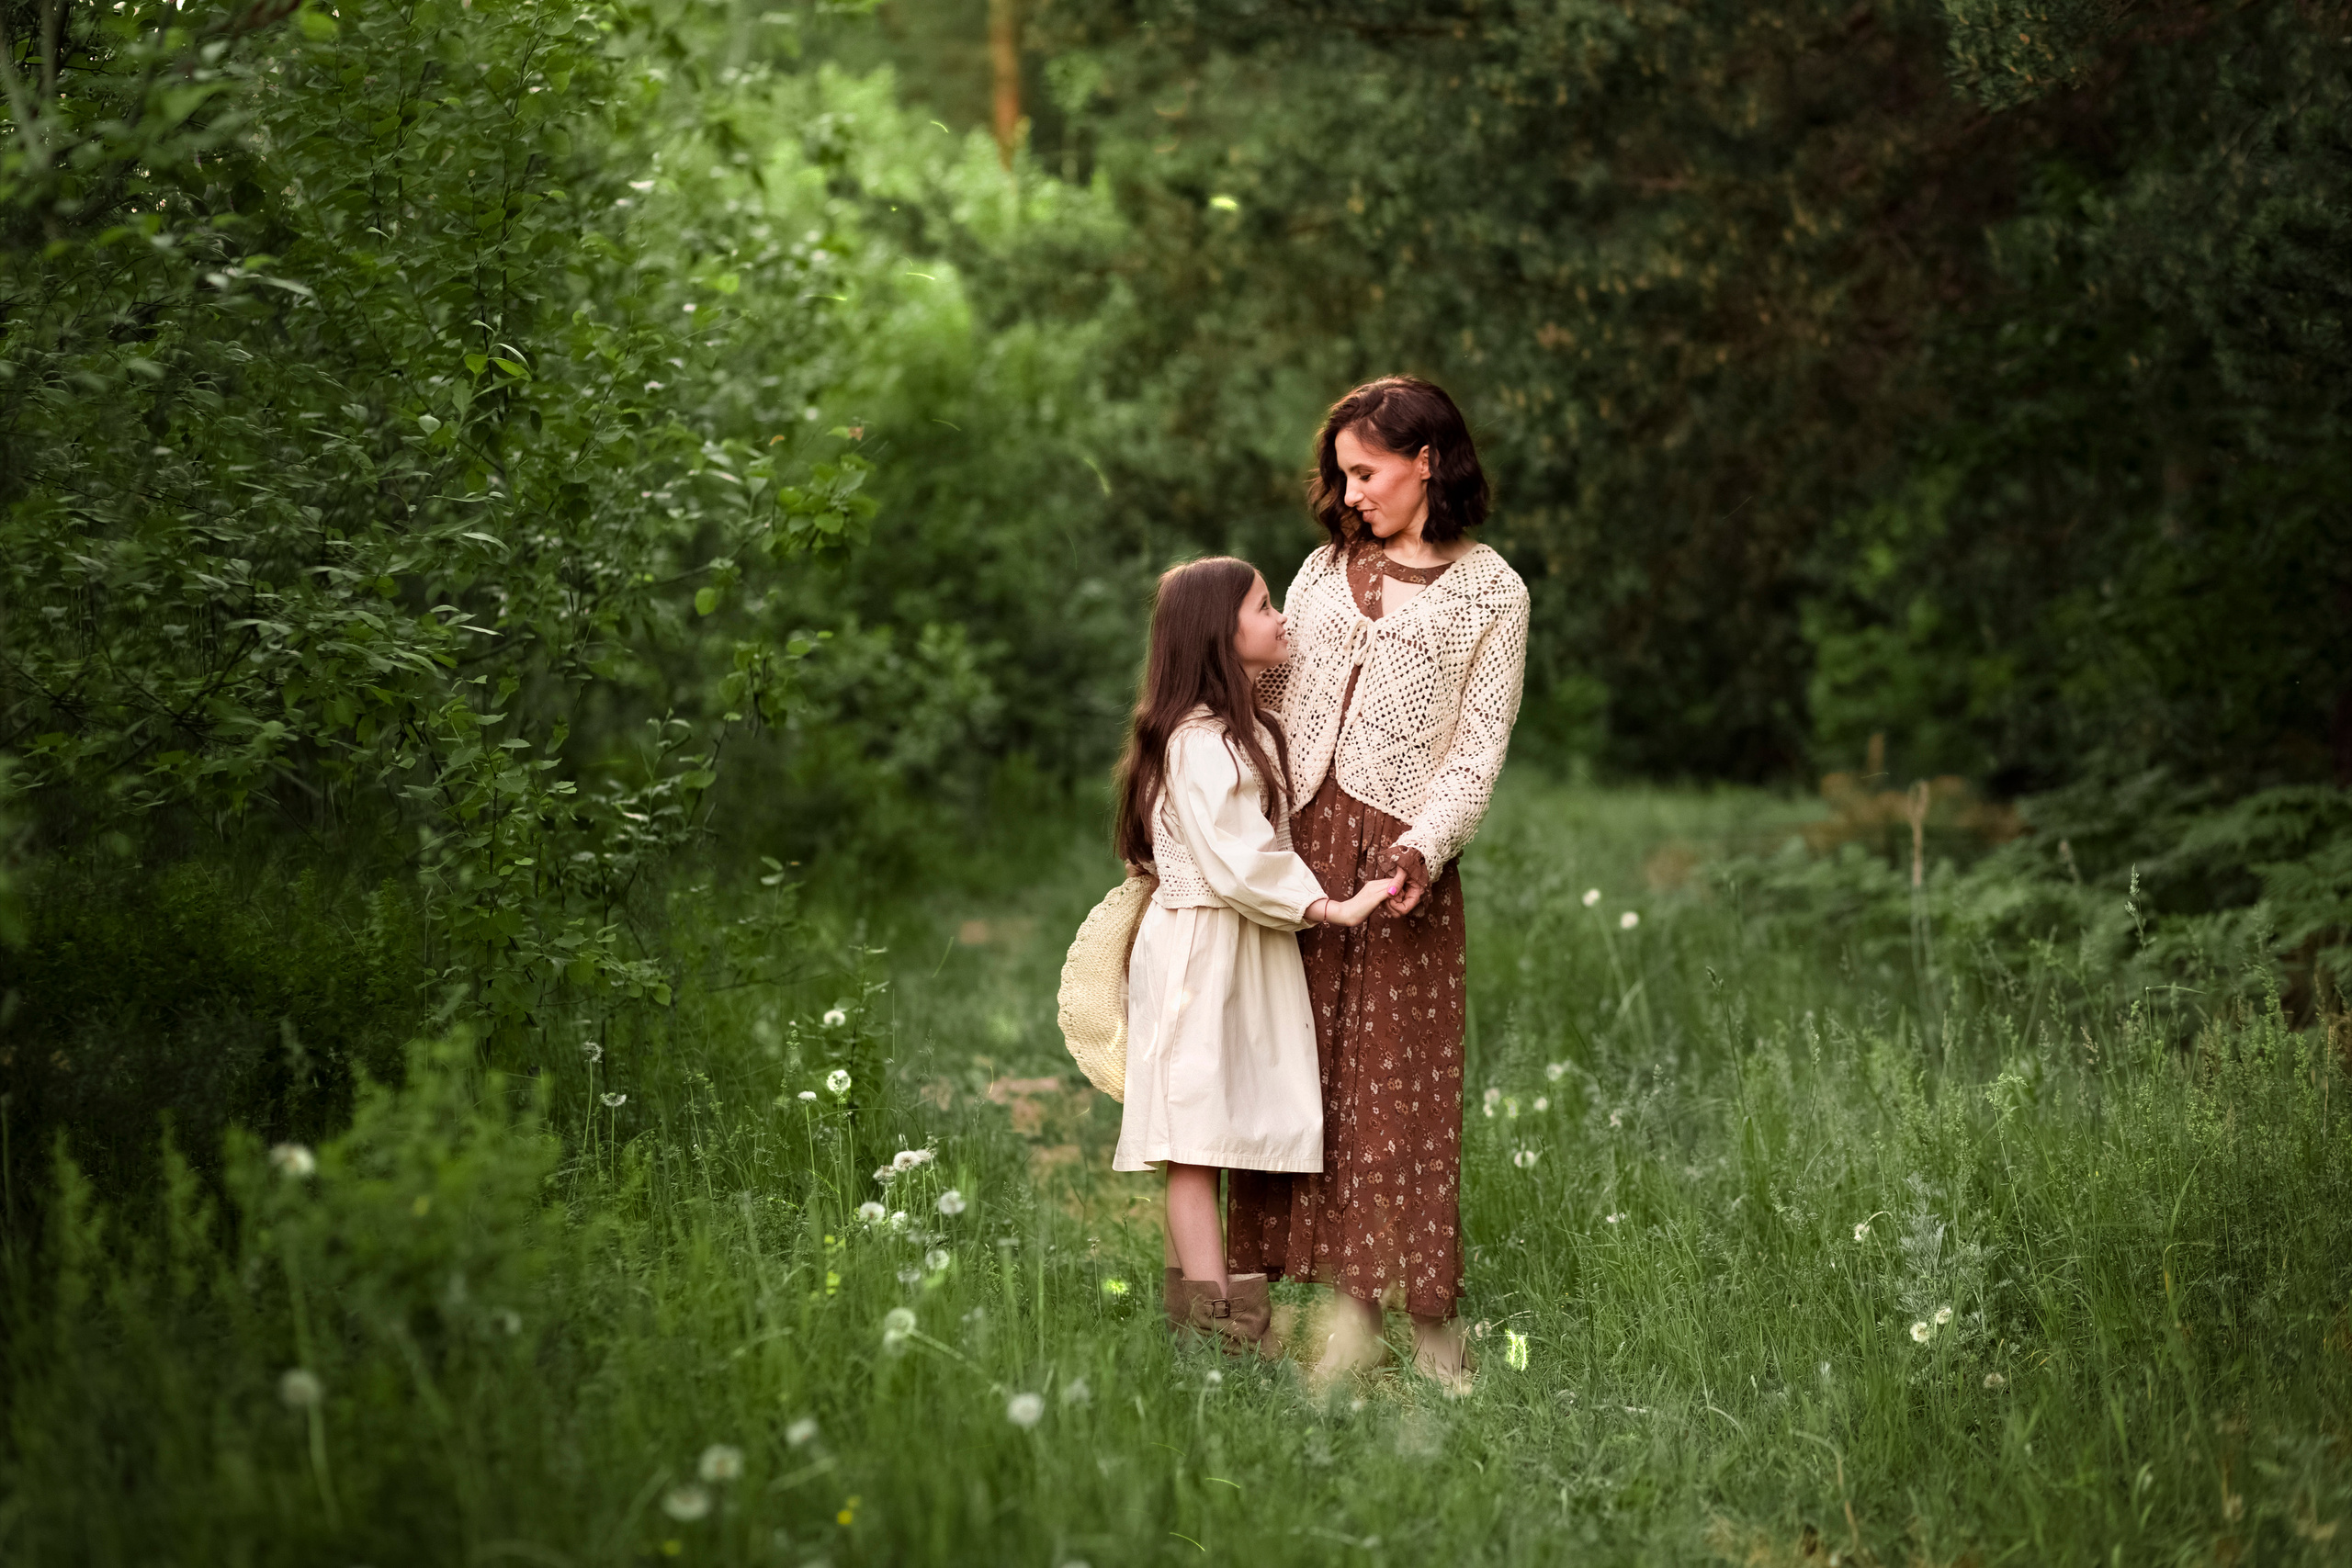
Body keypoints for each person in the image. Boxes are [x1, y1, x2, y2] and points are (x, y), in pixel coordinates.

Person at [1227, 377, 1530, 1393]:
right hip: (1298, 854)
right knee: (1290, 1086)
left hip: (1400, 868)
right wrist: (1219, 822)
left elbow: (1475, 753)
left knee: (1394, 1098)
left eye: (1366, 472)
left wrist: (1421, 849)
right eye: (1343, 474)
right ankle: (1295, 1323)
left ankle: (1426, 1331)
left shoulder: (1493, 593)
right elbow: (1261, 708)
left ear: (1426, 463)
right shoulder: (1318, 573)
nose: (1349, 492)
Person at [1110, 556, 1396, 1357]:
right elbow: (1240, 859)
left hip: (1238, 949)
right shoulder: (1200, 744)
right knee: (1196, 1140)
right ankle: (1222, 1336)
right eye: (1265, 607)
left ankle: (1206, 1321)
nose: (1282, 621)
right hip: (1206, 952)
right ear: (1218, 633)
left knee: (1218, 1126)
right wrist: (1328, 905)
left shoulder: (1236, 730)